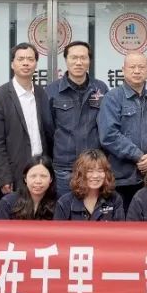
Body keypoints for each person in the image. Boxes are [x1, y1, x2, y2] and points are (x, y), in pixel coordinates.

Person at [0, 43, 55, 200]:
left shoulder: (41, 93)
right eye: (21, 59)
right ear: (12, 64)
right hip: (13, 174)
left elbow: (48, 133)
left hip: (40, 171)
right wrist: (3, 177)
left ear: (35, 64)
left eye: (30, 59)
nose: (26, 63)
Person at [45, 41, 109, 198]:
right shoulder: (52, 91)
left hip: (94, 166)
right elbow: (48, 129)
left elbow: (106, 127)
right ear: (66, 60)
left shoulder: (101, 89)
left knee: (93, 208)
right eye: (74, 57)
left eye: (83, 58)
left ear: (89, 61)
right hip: (64, 167)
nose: (79, 62)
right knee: (64, 209)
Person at [98, 52, 147, 210]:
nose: (137, 71)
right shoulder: (112, 98)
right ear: (123, 70)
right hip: (122, 178)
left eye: (141, 67)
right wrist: (139, 156)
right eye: (132, 67)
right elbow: (109, 135)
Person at [54, 149, 125, 221]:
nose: (95, 176)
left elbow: (120, 227)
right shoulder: (64, 203)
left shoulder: (115, 199)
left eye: (100, 171)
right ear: (80, 174)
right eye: (90, 171)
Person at [0, 154, 57, 220]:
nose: (38, 181)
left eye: (43, 176)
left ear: (51, 179)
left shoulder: (60, 203)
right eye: (33, 176)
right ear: (25, 178)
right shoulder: (7, 203)